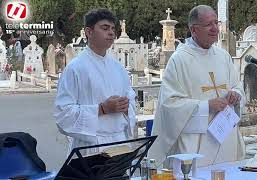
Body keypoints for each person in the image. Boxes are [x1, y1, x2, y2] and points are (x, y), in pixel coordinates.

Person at [148, 5, 245, 167]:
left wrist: (236, 94)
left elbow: (237, 86)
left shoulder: (223, 57)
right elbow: (169, 105)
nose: (215, 28)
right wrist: (206, 106)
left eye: (216, 23)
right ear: (194, 30)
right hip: (195, 145)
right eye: (208, 24)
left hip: (226, 139)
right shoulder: (179, 60)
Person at [54, 8, 136, 155]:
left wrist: (126, 107)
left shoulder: (119, 68)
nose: (111, 32)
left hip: (119, 142)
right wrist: (102, 109)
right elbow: (63, 114)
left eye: (112, 28)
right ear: (89, 32)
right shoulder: (75, 68)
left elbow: (131, 101)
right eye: (105, 28)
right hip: (91, 146)